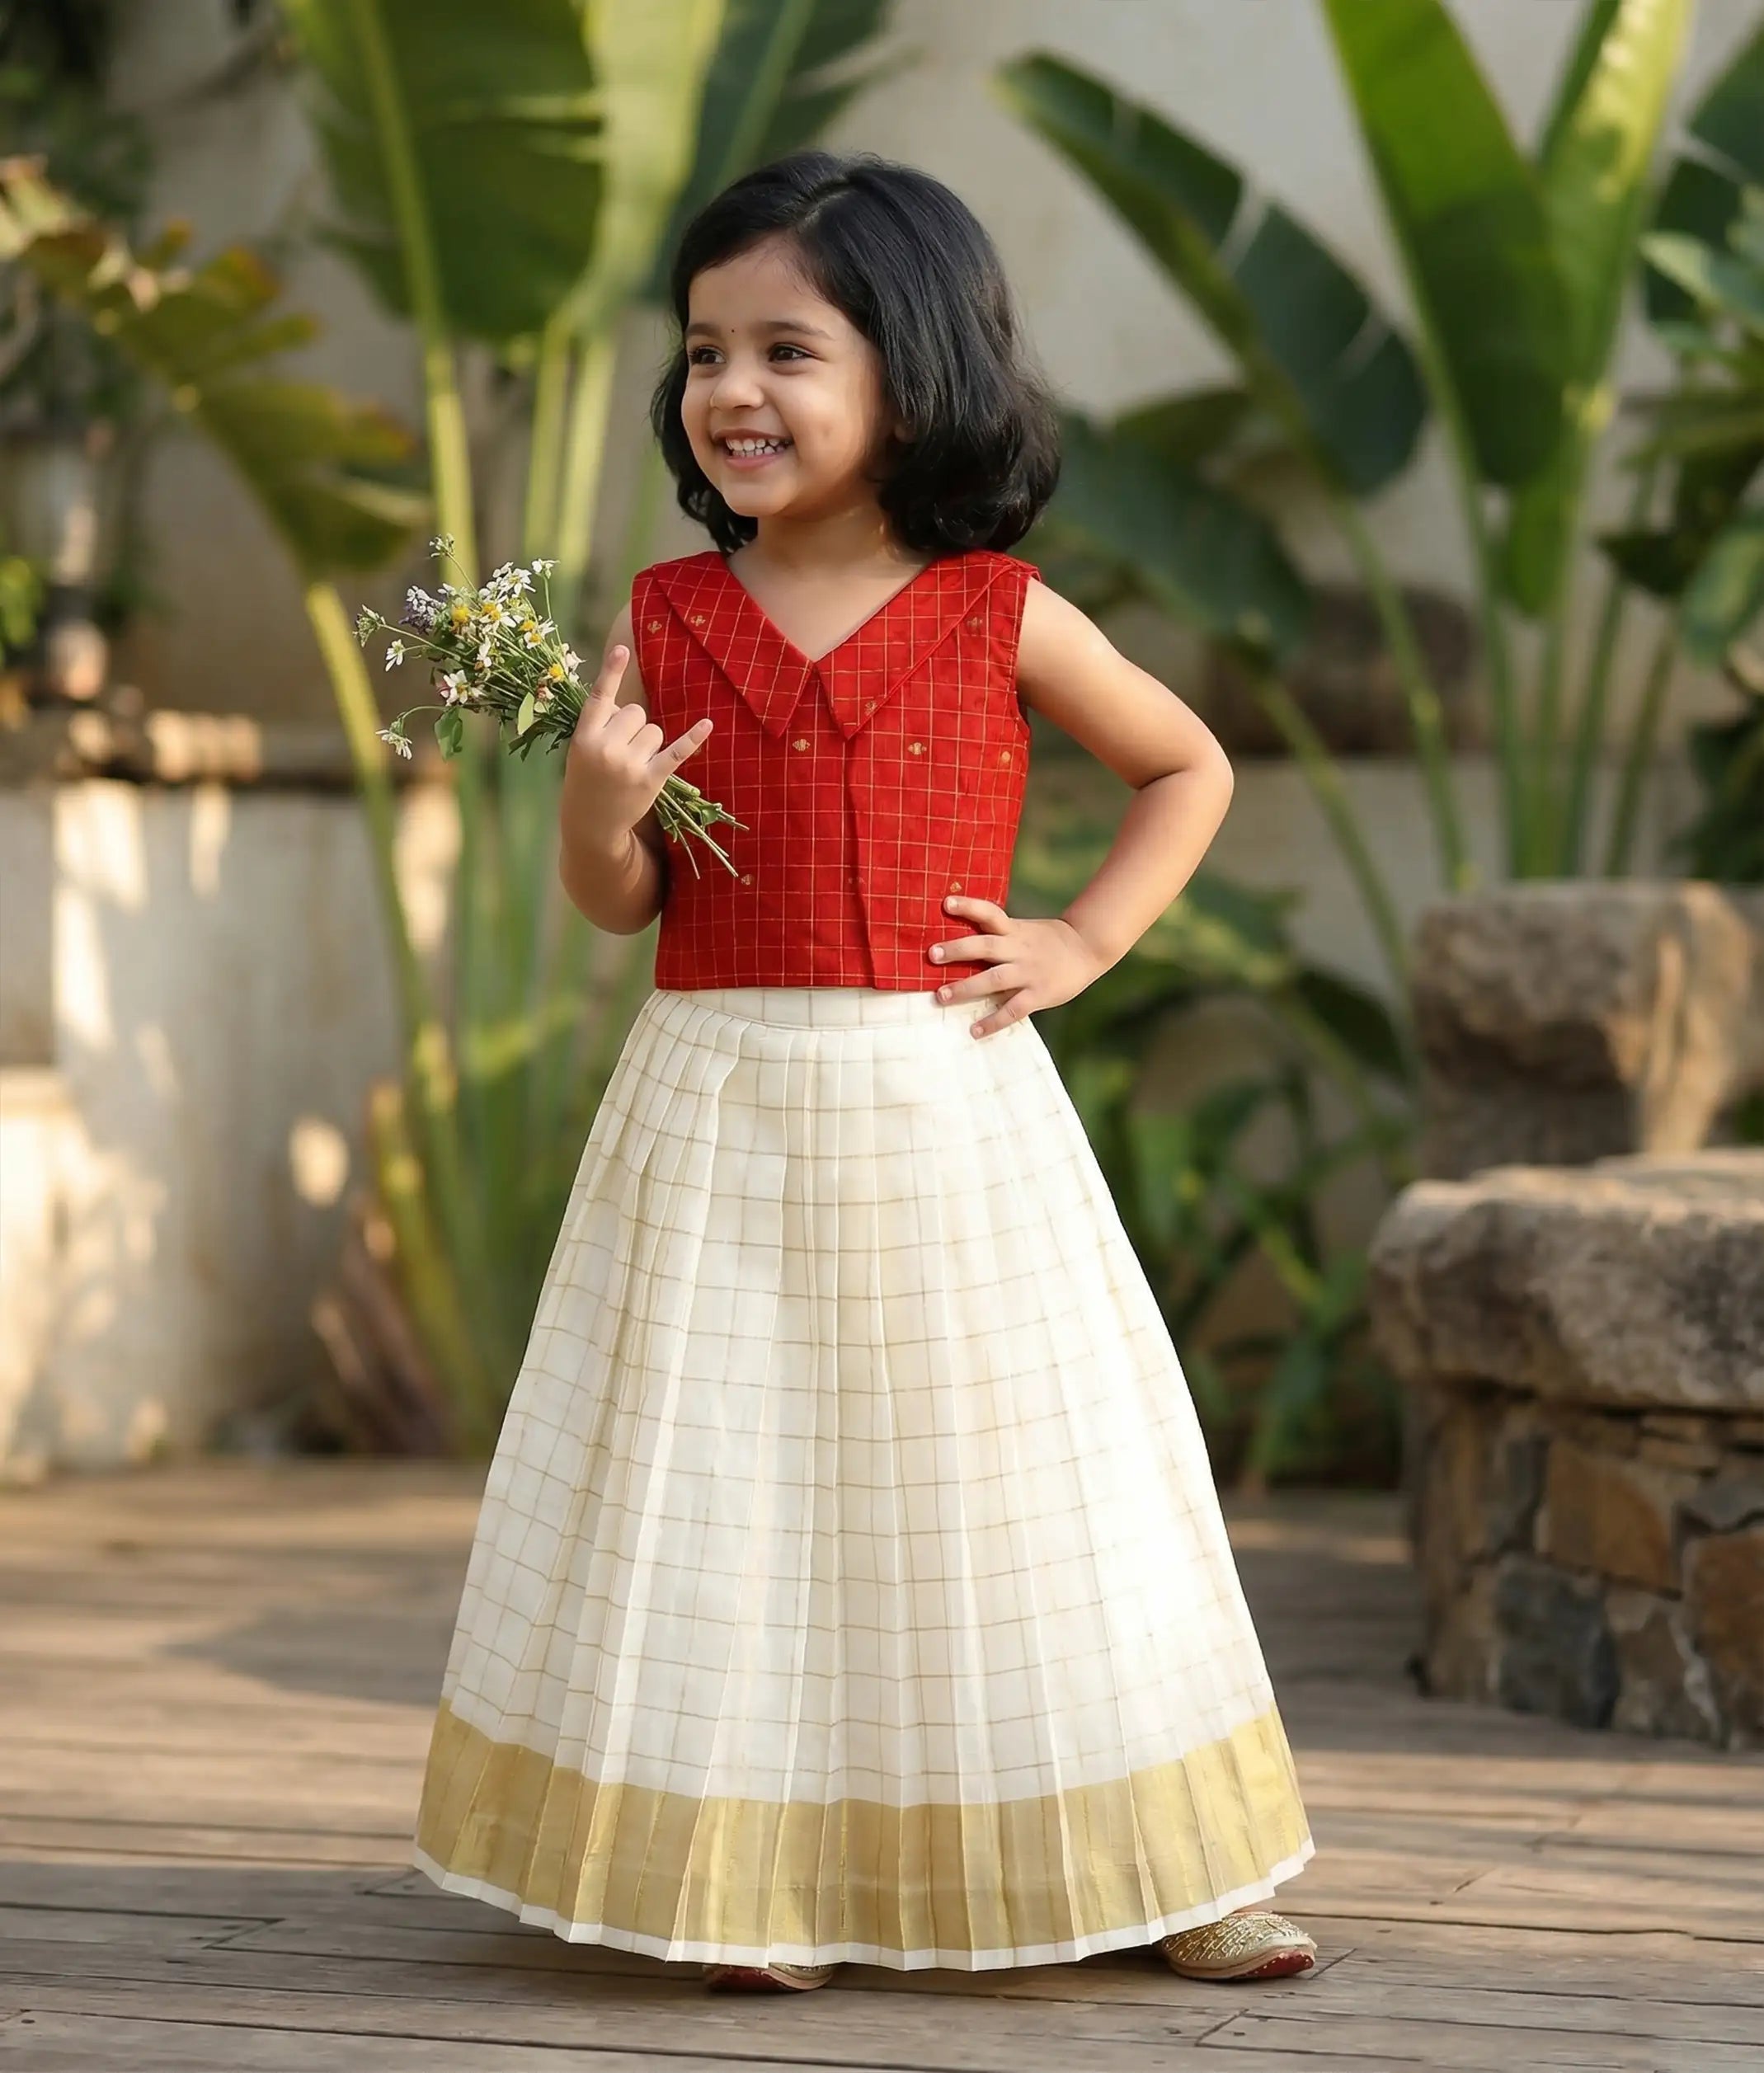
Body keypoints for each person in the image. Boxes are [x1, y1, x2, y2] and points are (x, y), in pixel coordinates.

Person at [410, 148, 1315, 1995]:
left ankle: (1162, 1861)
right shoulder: (666, 620)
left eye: (786, 350)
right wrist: (596, 813)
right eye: (702, 350)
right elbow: (620, 904)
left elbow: (1187, 766)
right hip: (719, 1110)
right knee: (736, 1475)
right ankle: (746, 1876)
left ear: (911, 367)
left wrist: (1075, 945)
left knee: (1015, 1481)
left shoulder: (997, 611)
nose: (729, 390)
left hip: (942, 1107)